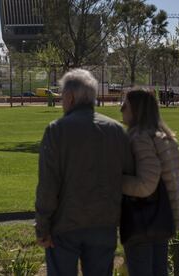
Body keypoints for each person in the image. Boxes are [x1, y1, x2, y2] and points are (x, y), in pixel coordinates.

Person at [35, 69, 134, 276]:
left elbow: (48, 185)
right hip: (104, 223)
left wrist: (43, 227)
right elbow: (128, 177)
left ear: (70, 97)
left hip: (65, 225)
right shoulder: (116, 130)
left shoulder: (56, 130)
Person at [120, 90, 179, 276]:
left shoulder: (140, 138)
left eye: (125, 105)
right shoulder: (164, 137)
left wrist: (116, 181)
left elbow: (145, 184)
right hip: (163, 218)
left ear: (136, 110)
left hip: (143, 220)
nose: (121, 109)